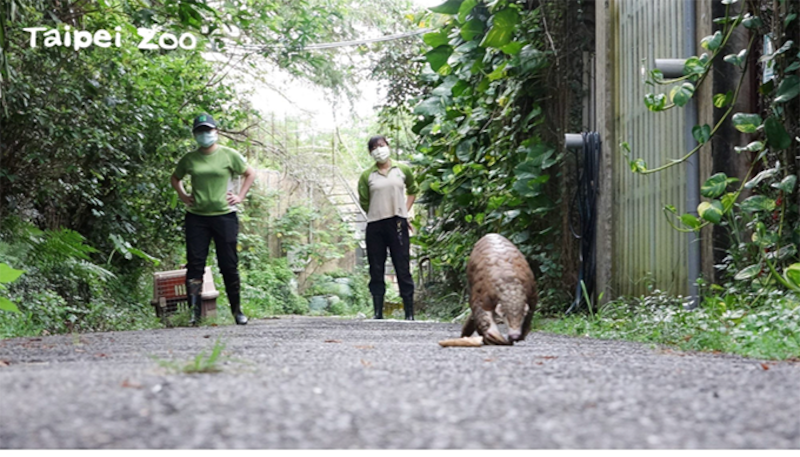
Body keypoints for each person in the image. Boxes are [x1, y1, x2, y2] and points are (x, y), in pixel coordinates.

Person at [171, 114, 256, 325]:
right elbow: (175, 178)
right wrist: (183, 195)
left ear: (216, 132)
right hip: (197, 218)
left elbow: (250, 173)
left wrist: (240, 196)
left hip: (225, 216)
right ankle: (194, 313)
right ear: (195, 135)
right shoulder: (189, 159)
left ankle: (237, 311)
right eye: (200, 131)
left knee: (229, 264)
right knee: (195, 265)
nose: (205, 135)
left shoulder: (229, 155)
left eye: (208, 130)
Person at [358, 136, 418, 320]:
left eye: (381, 145)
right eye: (374, 147)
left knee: (402, 264)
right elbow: (364, 201)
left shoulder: (402, 169)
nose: (379, 150)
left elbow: (413, 189)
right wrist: (377, 213)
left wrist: (403, 212)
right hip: (375, 224)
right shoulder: (367, 175)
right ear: (370, 153)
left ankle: (409, 311)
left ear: (388, 146)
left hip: (398, 223)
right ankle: (378, 311)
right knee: (376, 266)